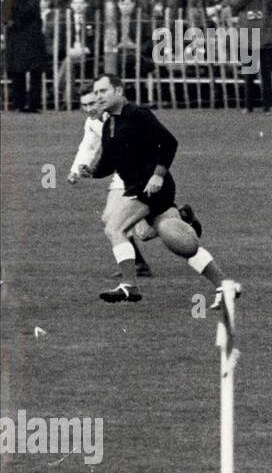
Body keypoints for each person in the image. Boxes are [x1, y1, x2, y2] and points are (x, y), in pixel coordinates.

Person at [74, 75, 234, 306]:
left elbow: (169, 143)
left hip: (150, 186)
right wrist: (91, 171)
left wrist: (158, 175)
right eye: (96, 92)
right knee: (179, 243)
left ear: (118, 91)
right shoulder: (110, 123)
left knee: (114, 228)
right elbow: (109, 163)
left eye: (103, 91)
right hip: (140, 187)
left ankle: (129, 285)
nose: (98, 97)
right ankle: (224, 285)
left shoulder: (138, 114)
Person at [68, 89, 153, 279]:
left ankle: (137, 268)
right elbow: (89, 146)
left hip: (140, 174)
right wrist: (75, 170)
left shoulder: (122, 118)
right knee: (128, 226)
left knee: (137, 230)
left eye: (92, 104)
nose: (88, 109)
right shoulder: (92, 123)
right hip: (122, 176)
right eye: (84, 105)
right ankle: (139, 264)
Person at [3, 0, 49, 113]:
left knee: (17, 70)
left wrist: (10, 22)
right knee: (35, 70)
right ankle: (33, 103)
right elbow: (32, 8)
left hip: (14, 31)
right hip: (30, 31)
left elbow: (5, 7)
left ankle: (19, 102)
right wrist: (24, 20)